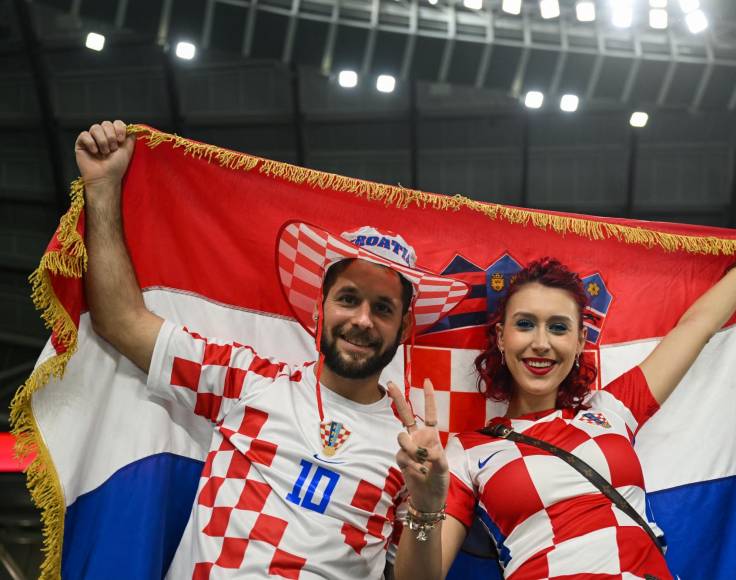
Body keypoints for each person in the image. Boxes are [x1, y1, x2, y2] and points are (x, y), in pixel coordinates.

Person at [75, 120, 468, 578]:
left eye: (383, 308)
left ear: (402, 330)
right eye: (348, 299)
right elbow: (120, 320)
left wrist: (425, 507)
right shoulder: (248, 379)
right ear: (320, 310)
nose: (362, 320)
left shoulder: (414, 448)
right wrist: (102, 188)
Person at [388, 252, 736, 580]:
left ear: (580, 341)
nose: (540, 343)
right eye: (525, 324)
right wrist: (425, 506)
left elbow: (696, 327)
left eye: (558, 328)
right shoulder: (465, 451)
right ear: (501, 337)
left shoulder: (612, 410)